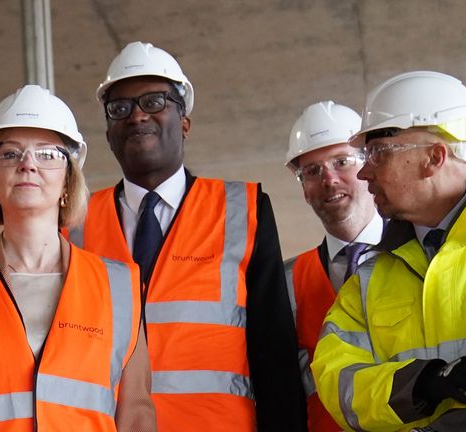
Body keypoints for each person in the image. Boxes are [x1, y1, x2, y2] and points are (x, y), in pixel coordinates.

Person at [69, 41, 306, 431]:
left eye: (154, 101)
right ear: (109, 133)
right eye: (120, 108)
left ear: (185, 123)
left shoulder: (243, 210)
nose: (136, 116)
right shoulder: (75, 224)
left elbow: (274, 353)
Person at [0, 84, 155, 431]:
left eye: (48, 154)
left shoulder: (118, 288)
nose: (27, 165)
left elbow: (136, 417)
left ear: (68, 183)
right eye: (9, 153)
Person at [312, 71, 466, 431]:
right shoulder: (370, 276)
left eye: (379, 153)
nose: (364, 172)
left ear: (435, 156)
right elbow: (338, 382)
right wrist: (425, 383)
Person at [283, 101, 383, 431]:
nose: (329, 179)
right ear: (303, 188)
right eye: (312, 171)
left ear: (369, 166)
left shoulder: (427, 256)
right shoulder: (286, 282)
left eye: (342, 162)